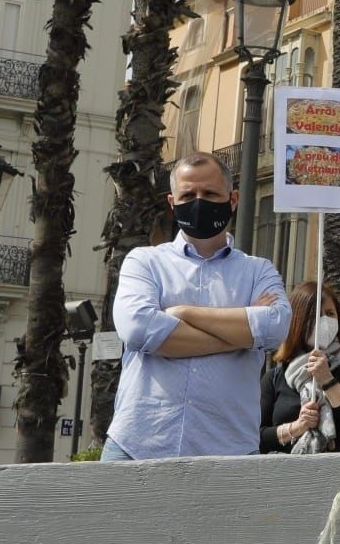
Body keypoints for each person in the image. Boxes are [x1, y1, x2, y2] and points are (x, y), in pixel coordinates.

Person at [104, 152, 291, 460]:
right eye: (188, 194)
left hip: (227, 453)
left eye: (210, 193)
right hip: (136, 447)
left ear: (232, 200)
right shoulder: (144, 261)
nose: (199, 201)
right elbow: (138, 329)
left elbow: (274, 328)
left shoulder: (259, 271)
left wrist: (182, 314)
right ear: (172, 202)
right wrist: (240, 336)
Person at [261, 281, 340, 453]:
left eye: (330, 314)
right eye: (315, 316)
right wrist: (296, 427)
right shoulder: (275, 378)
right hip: (287, 477)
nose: (325, 321)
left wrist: (328, 381)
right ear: (297, 321)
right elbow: (256, 436)